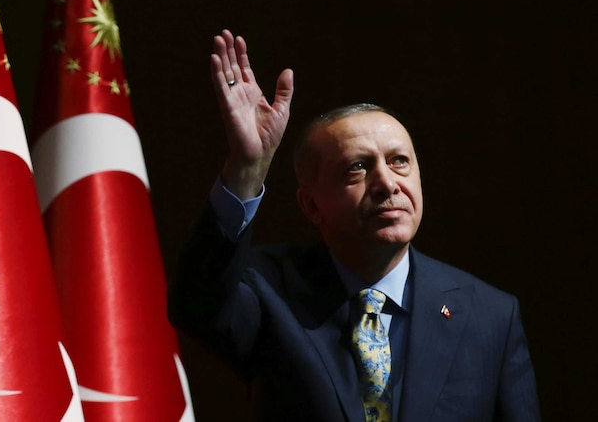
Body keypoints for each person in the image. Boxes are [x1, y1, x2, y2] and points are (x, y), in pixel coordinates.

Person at [167, 29, 540, 421]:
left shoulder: (490, 315)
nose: (386, 183)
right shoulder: (269, 290)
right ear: (312, 205)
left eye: (399, 161)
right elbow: (196, 305)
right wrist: (246, 168)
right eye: (357, 167)